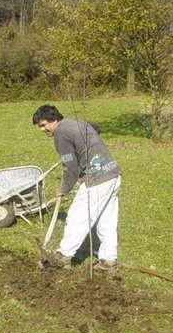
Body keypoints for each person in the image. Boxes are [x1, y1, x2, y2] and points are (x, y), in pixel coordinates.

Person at [32, 104, 122, 272]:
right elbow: (96, 127)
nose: (42, 129)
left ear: (54, 120)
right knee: (105, 220)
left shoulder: (60, 134)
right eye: (40, 126)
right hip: (113, 174)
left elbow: (71, 168)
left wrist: (63, 189)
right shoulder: (77, 122)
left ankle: (63, 257)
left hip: (96, 180)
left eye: (44, 125)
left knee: (77, 217)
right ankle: (108, 260)